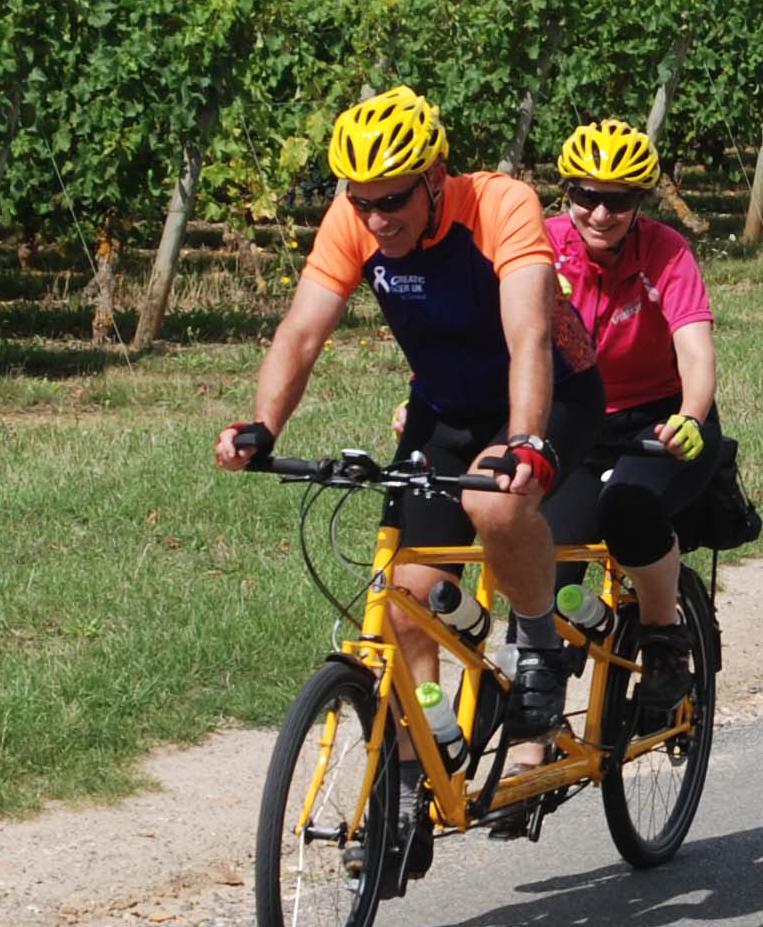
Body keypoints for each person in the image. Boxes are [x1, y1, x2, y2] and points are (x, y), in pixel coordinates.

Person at [218, 87, 603, 819]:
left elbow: (528, 335)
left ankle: (537, 644)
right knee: (400, 602)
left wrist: (525, 438)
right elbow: (302, 333)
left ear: (434, 179)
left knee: (494, 500)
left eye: (393, 199)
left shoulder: (500, 205)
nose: (375, 218)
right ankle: (418, 756)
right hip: (445, 410)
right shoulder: (355, 221)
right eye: (360, 201)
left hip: (550, 391)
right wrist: (262, 427)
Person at [541, 118, 721, 720]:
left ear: (640, 201)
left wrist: (691, 417)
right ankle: (536, 724)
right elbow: (498, 342)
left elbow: (695, 349)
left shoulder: (665, 251)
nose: (598, 212)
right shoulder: (541, 246)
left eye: (616, 200)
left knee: (627, 510)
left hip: (661, 420)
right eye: (584, 196)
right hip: (577, 420)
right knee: (544, 550)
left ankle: (664, 642)